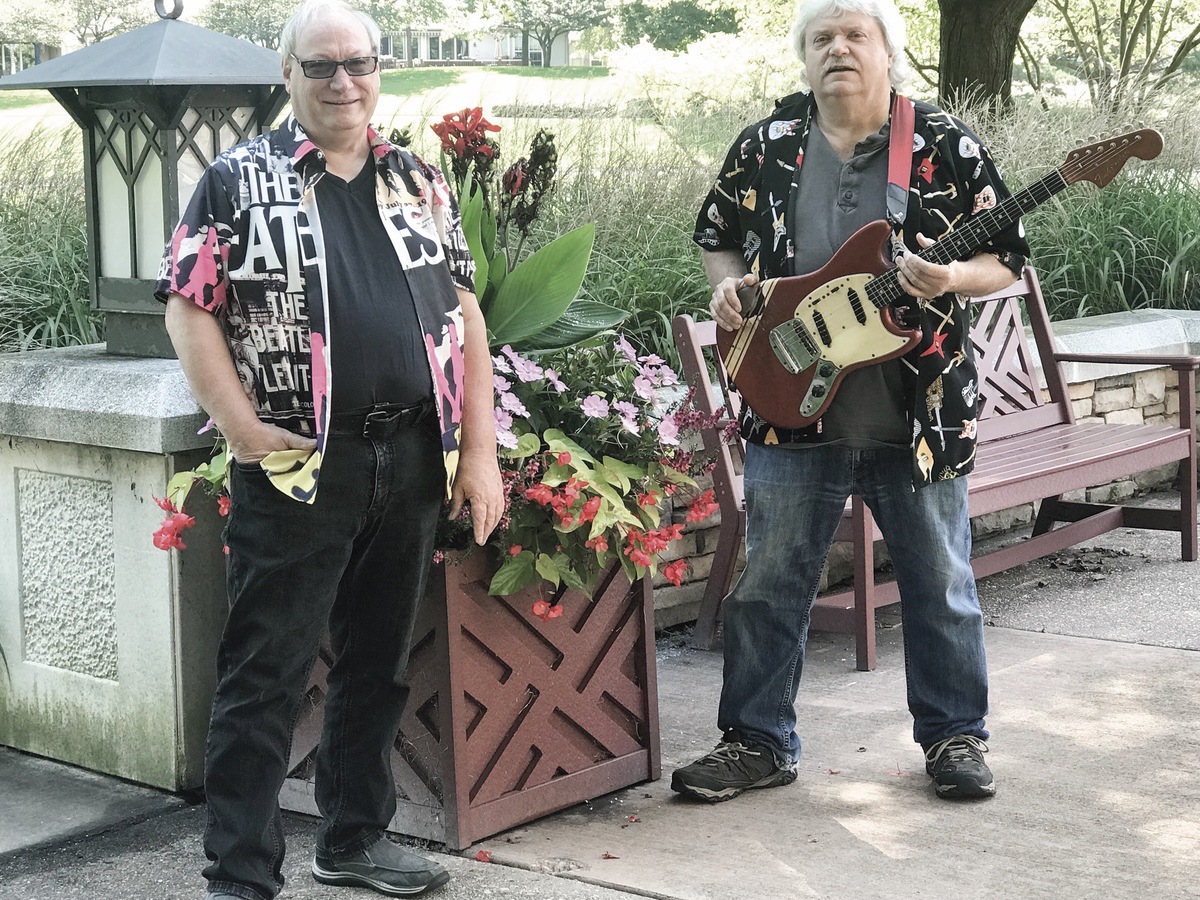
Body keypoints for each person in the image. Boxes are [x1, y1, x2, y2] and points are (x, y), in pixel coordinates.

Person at [157, 1, 502, 896]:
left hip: (411, 456)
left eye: (358, 63)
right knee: (264, 674)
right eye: (320, 67)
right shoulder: (238, 178)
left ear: (380, 69)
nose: (342, 81)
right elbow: (189, 306)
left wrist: (480, 452)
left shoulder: (416, 179)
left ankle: (353, 839)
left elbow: (464, 314)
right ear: (289, 76)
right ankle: (240, 875)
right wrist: (237, 425)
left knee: (380, 661)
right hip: (297, 463)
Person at [673, 0, 1029, 804]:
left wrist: (951, 277)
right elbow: (716, 233)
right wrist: (728, 288)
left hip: (920, 409)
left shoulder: (943, 145)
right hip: (786, 400)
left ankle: (955, 739)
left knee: (939, 583)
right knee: (767, 586)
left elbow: (1005, 258)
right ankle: (756, 741)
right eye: (822, 38)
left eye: (855, 35)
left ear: (888, 53)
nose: (838, 49)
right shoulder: (765, 146)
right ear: (804, 58)